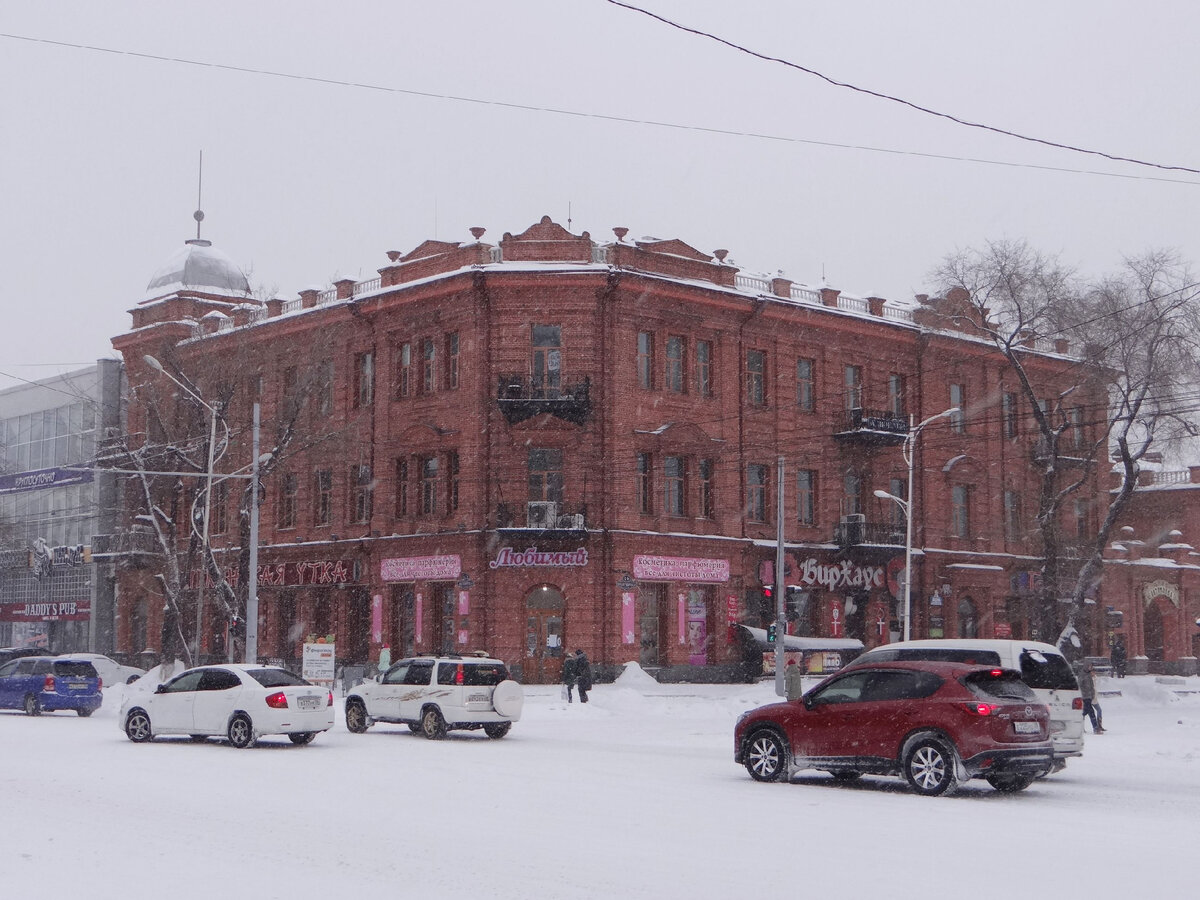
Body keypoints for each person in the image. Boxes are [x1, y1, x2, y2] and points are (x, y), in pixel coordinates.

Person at [1076, 660, 1105, 733]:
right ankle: (1095, 728)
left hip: (1089, 696)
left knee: (1085, 712)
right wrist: (1084, 692)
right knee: (1091, 712)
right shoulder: (1082, 675)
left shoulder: (1089, 674)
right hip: (1085, 696)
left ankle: (1078, 723)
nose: (1091, 668)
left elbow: (1092, 686)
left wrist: (1092, 694)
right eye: (1090, 666)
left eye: (1091, 666)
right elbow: (1080, 685)